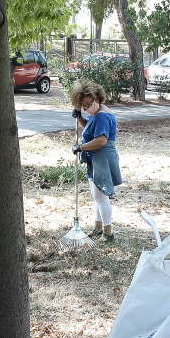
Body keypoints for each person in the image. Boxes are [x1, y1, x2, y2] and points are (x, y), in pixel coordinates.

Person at [69, 80, 122, 241]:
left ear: (97, 98)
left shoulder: (102, 116)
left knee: (100, 196)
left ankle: (108, 232)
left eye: (88, 104)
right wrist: (80, 118)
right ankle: (98, 227)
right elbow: (90, 130)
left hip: (102, 158)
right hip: (96, 158)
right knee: (97, 195)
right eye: (83, 106)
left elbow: (101, 140)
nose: (86, 108)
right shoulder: (95, 114)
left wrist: (81, 147)